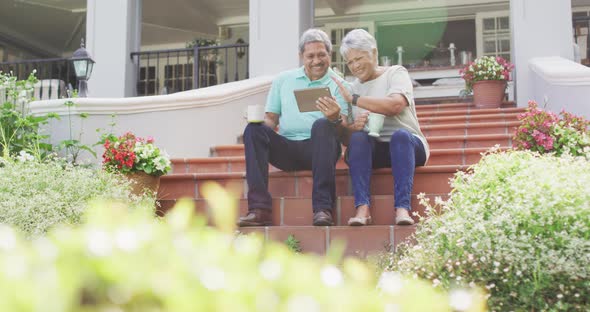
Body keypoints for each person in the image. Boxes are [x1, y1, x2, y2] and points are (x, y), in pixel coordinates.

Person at [237, 28, 350, 227]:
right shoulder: (283, 80)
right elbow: (272, 119)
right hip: (288, 149)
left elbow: (344, 131)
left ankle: (323, 209)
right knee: (253, 130)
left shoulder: (339, 84)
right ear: (301, 57)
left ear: (329, 54)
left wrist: (334, 119)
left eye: (321, 55)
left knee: (323, 125)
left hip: (321, 149)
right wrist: (257, 125)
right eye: (310, 56)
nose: (316, 60)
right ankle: (259, 209)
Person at [318, 29, 430, 226]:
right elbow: (347, 140)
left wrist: (355, 99)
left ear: (374, 52)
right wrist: (346, 123)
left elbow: (395, 105)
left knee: (400, 136)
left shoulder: (395, 73)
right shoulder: (351, 88)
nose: (355, 66)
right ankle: (362, 209)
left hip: (408, 146)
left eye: (359, 58)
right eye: (350, 62)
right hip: (374, 149)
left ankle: (402, 208)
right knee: (359, 139)